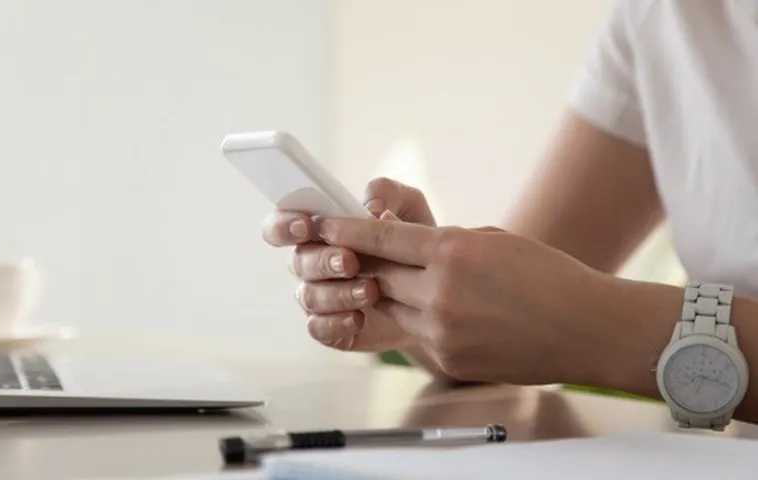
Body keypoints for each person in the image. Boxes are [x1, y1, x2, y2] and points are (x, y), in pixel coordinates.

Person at [262, 1, 758, 424]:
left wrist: (594, 325)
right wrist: (414, 304)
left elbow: (559, 316)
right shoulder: (664, 17)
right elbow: (516, 322)